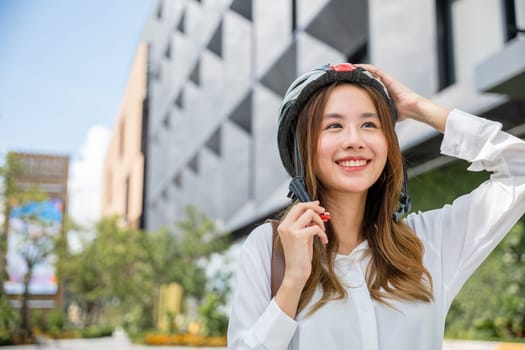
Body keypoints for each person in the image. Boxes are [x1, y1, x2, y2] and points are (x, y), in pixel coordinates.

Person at [227, 63, 525, 349]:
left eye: (370, 124)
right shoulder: (269, 248)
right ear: (302, 147)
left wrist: (419, 108)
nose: (355, 140)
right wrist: (292, 282)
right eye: (334, 125)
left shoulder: (430, 243)